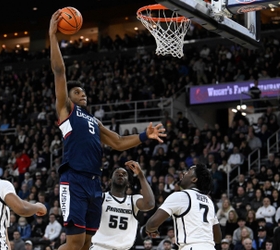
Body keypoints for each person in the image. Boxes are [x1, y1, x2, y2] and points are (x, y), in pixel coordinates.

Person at [49, 10, 166, 250]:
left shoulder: (94, 121)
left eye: (84, 91)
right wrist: (52, 35)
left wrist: (145, 135)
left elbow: (119, 142)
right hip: (73, 180)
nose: (83, 94)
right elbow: (59, 72)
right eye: (78, 91)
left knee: (88, 244)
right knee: (74, 243)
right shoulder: (66, 111)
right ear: (69, 97)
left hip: (94, 183)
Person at [145, 164, 222, 250]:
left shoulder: (181, 196)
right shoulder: (209, 201)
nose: (184, 173)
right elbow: (218, 238)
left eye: (188, 171)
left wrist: (152, 229)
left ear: (194, 179)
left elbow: (152, 224)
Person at [91, 161, 155, 250]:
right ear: (110, 181)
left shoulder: (133, 200)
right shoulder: (101, 198)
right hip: (100, 247)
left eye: (124, 174)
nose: (120, 174)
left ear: (128, 183)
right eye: (117, 173)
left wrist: (141, 175)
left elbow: (150, 204)